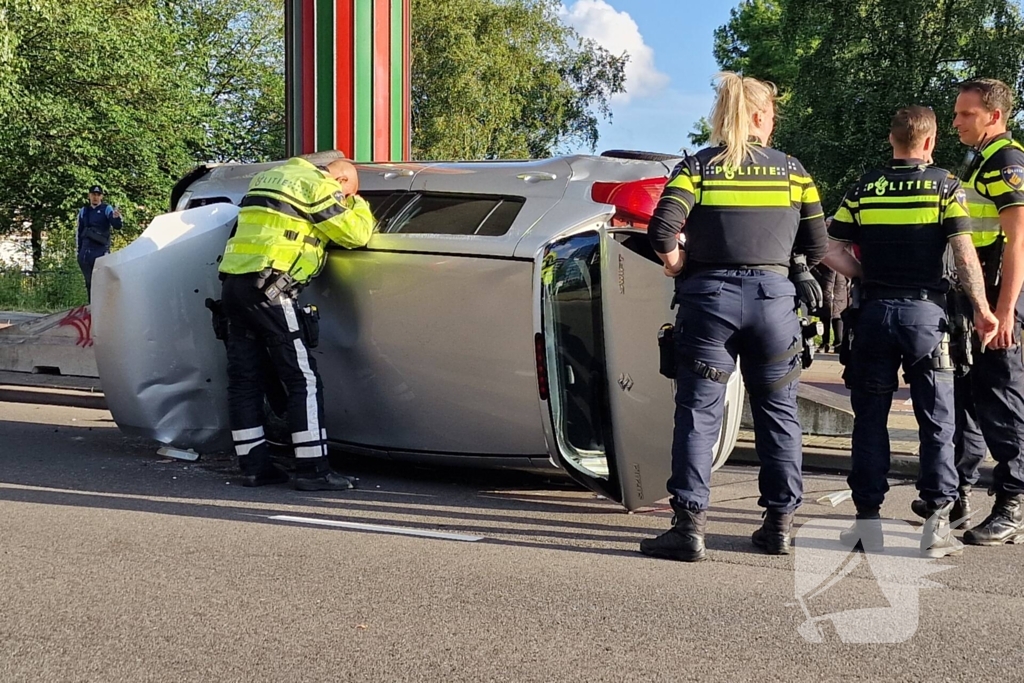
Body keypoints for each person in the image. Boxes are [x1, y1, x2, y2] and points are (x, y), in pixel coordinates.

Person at [639, 72, 828, 563]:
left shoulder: (697, 168)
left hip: (709, 299)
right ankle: (780, 526)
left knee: (700, 413)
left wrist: (677, 263)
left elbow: (662, 230)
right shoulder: (794, 172)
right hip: (774, 301)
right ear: (762, 116)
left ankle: (689, 527)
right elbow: (818, 245)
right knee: (778, 415)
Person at [824, 106, 997, 558]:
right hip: (927, 315)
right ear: (930, 141)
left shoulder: (865, 187)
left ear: (892, 139)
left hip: (875, 314)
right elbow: (963, 254)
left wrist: (862, 274)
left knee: (870, 421)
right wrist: (982, 307)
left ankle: (867, 524)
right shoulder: (945, 186)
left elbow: (827, 243)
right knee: (937, 422)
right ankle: (936, 524)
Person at [218, 151, 375, 489]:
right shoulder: (316, 184)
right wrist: (359, 205)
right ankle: (313, 470)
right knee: (303, 378)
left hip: (234, 287)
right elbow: (355, 235)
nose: (344, 199)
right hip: (271, 288)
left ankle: (254, 467)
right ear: (341, 180)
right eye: (346, 194)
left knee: (245, 380)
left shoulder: (268, 177)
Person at [941, 78, 1024, 546]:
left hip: (997, 297)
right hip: (978, 297)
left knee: (1001, 398)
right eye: (955, 114)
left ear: (994, 115)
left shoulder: (1007, 163)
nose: (956, 122)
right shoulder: (983, 160)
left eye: (966, 114)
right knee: (968, 398)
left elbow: (1018, 241)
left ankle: (1010, 504)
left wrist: (1005, 311)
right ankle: (959, 495)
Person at [76, 185, 122, 301]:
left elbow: (117, 226)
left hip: (101, 251)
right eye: (93, 195)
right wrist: (78, 252)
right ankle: (91, 308)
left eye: (98, 195)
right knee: (89, 283)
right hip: (85, 253)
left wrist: (117, 218)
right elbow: (79, 232)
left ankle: (103, 309)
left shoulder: (107, 209)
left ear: (101, 196)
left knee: (102, 283)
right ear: (89, 196)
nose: (95, 197)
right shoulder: (84, 211)